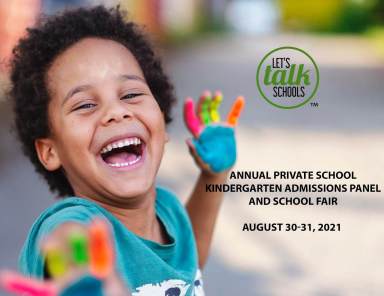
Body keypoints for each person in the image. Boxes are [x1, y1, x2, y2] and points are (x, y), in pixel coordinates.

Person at [3, 5, 243, 296]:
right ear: (50, 151)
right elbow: (67, 244)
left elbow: (189, 267)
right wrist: (86, 282)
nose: (116, 112)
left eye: (131, 94)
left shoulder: (168, 209)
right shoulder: (73, 222)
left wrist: (213, 177)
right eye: (85, 105)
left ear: (161, 120)